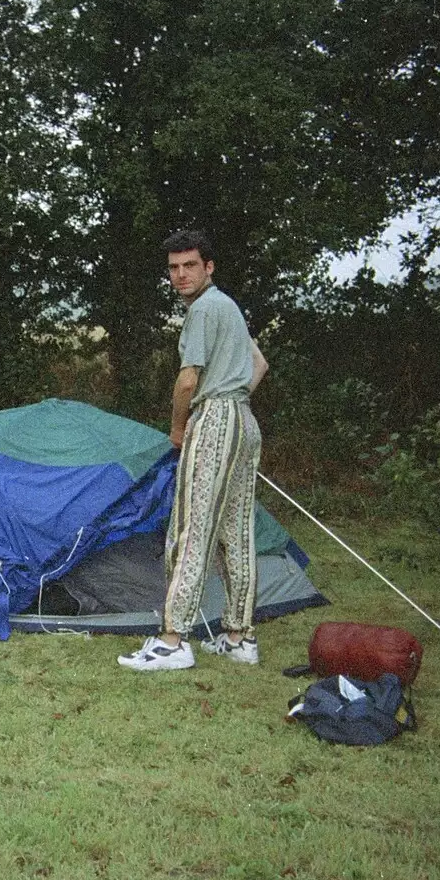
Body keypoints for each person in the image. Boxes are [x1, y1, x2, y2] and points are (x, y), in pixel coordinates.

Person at [118, 229, 268, 671]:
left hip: (217, 420)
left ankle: (172, 640)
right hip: (244, 420)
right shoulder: (228, 307)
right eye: (173, 267)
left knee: (190, 528)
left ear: (209, 267)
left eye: (189, 265)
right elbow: (259, 364)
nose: (180, 275)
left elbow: (187, 380)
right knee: (236, 532)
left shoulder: (203, 309)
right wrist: (235, 397)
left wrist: (180, 428)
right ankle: (239, 637)